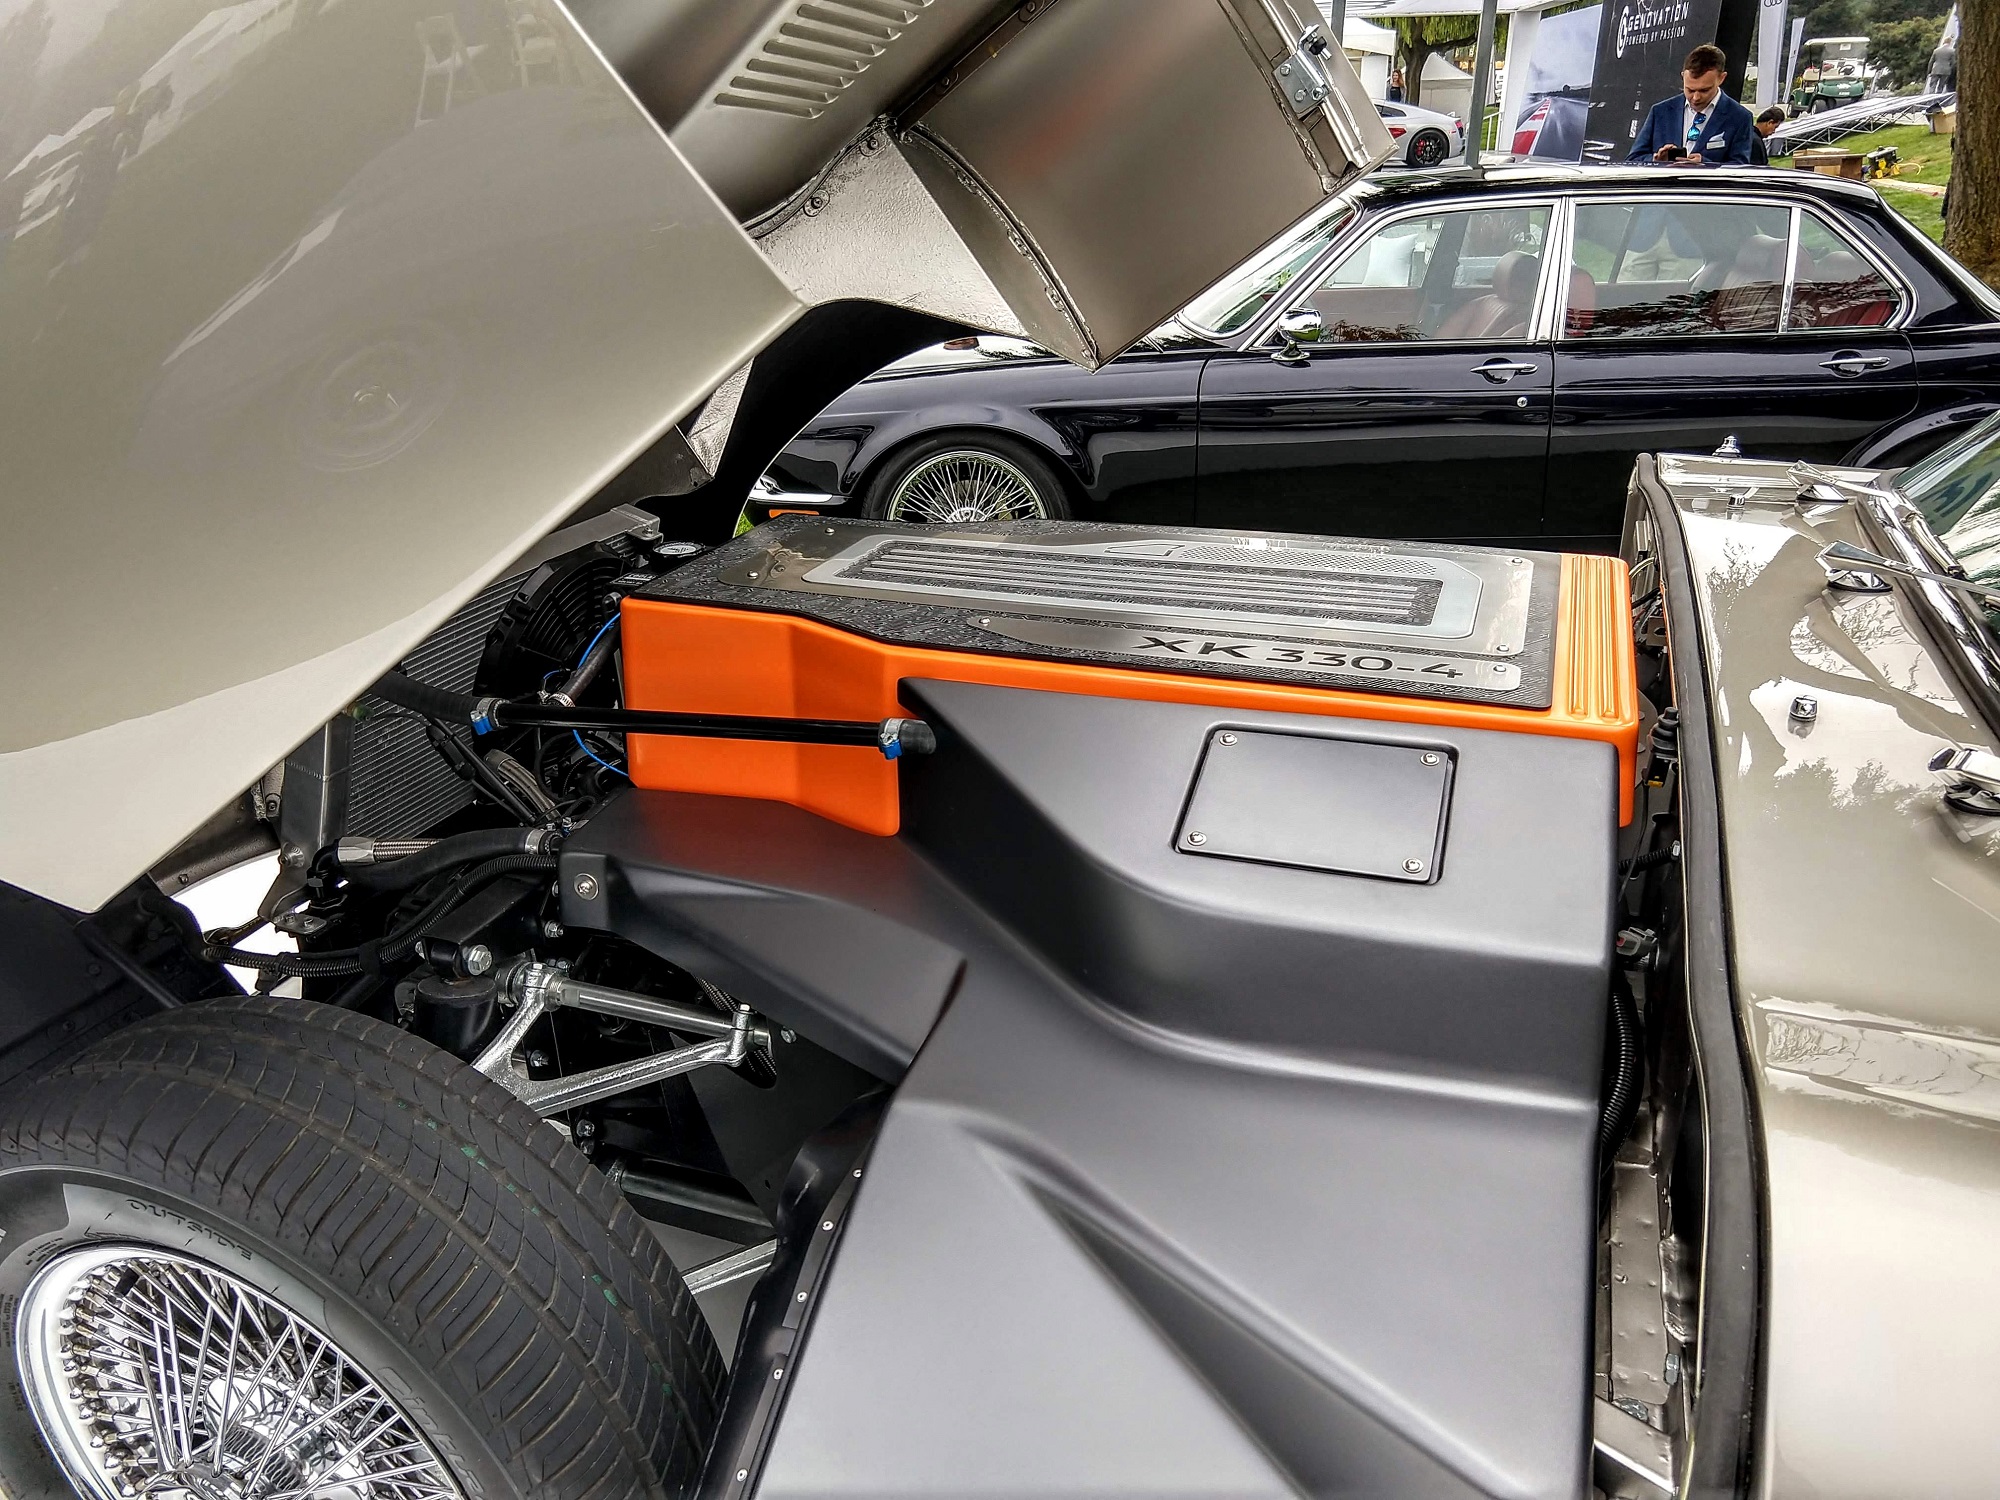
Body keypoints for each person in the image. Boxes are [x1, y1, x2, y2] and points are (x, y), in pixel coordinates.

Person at [1627, 44, 1757, 165]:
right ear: (1683, 76)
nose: (1695, 98)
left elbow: (1739, 168)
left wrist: (1705, 165)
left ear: (1721, 78)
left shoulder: (1739, 117)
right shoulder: (1660, 111)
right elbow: (1633, 159)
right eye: (1690, 90)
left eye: (1704, 90)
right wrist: (1656, 161)